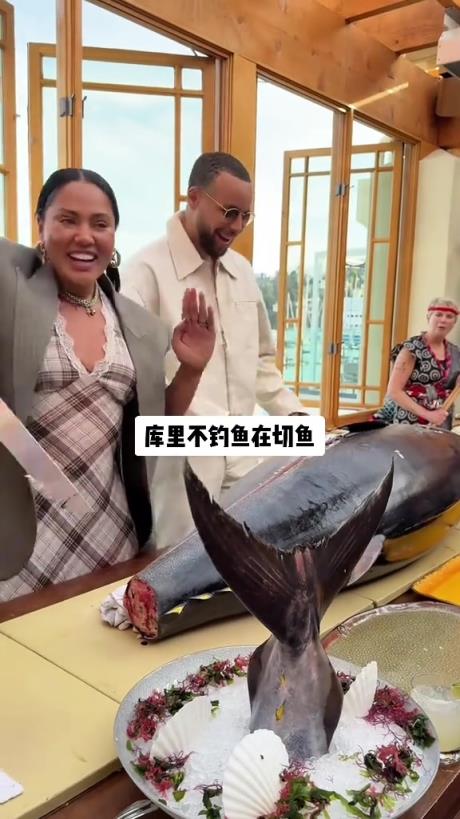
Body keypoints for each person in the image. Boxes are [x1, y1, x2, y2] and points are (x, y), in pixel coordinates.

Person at [0, 168, 215, 601]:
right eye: (68, 220)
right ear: (41, 225)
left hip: (113, 536)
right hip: (21, 542)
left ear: (114, 235)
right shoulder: (10, 294)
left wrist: (191, 369)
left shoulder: (138, 326)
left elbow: (154, 432)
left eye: (100, 224)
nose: (85, 236)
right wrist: (48, 479)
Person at [121, 151, 307, 550]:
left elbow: (261, 362)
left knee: (249, 557)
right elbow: (134, 384)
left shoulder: (242, 272)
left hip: (243, 451)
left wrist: (294, 417)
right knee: (181, 566)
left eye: (246, 216)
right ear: (194, 198)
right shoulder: (144, 272)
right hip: (181, 463)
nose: (237, 226)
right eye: (229, 213)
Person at [374, 298, 460, 429]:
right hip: (410, 422)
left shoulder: (455, 351)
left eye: (449, 316)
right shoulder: (412, 348)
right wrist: (428, 415)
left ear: (454, 322)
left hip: (442, 420)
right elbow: (394, 391)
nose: (443, 320)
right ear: (428, 317)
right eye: (438, 315)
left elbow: (453, 385)